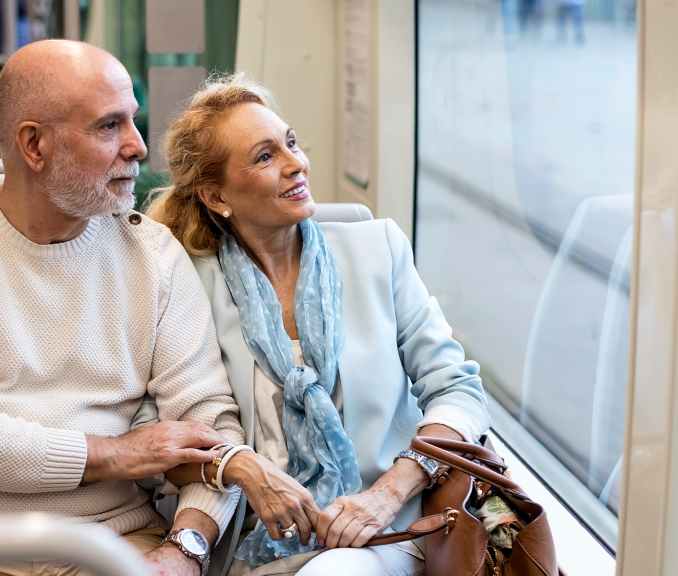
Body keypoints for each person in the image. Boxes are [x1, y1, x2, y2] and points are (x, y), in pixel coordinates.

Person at [0, 40, 245, 576]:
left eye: (133, 122)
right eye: (109, 126)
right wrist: (116, 455)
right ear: (34, 145)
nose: (139, 147)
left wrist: (187, 547)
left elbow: (209, 425)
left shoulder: (154, 254)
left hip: (107, 543)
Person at [146, 74, 492, 576]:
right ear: (216, 196)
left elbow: (459, 390)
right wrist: (240, 470)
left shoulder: (380, 250)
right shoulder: (185, 285)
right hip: (248, 547)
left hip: (387, 531)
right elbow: (157, 437)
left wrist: (390, 491)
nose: (295, 164)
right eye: (265, 157)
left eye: (290, 143)